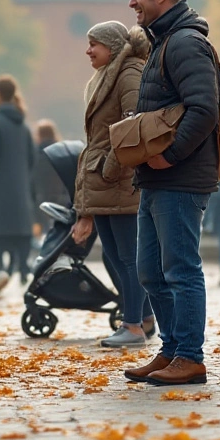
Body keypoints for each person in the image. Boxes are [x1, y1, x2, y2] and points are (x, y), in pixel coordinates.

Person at [122, 0, 220, 387]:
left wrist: (172, 155)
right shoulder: (164, 41)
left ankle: (190, 357)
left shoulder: (183, 43)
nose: (132, 2)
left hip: (178, 178)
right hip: (158, 177)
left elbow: (204, 108)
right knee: (151, 272)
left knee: (180, 270)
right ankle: (170, 349)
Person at [69, 21, 156, 347]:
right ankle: (144, 316)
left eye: (95, 44)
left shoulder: (128, 73)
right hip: (104, 179)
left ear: (113, 47)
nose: (88, 50)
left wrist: (111, 166)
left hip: (119, 179)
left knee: (128, 257)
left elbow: (134, 126)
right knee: (113, 256)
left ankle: (132, 325)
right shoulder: (106, 75)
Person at [0, 75, 37, 298]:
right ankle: (18, 269)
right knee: (20, 232)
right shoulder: (23, 125)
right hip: (20, 186)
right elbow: (32, 158)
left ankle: (1, 269)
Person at [31, 119, 70, 239]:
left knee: (44, 236)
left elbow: (31, 181)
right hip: (62, 201)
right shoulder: (63, 152)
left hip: (41, 201)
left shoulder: (35, 155)